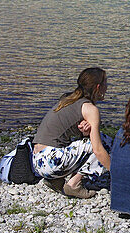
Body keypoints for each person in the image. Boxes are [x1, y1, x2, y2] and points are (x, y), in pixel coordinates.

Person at [32, 67, 112, 199]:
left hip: (37, 161)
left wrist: (84, 133)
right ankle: (74, 184)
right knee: (105, 142)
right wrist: (117, 174)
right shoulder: (90, 109)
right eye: (106, 83)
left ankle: (56, 180)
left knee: (90, 141)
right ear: (98, 87)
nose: (107, 87)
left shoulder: (68, 98)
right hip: (51, 161)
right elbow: (98, 150)